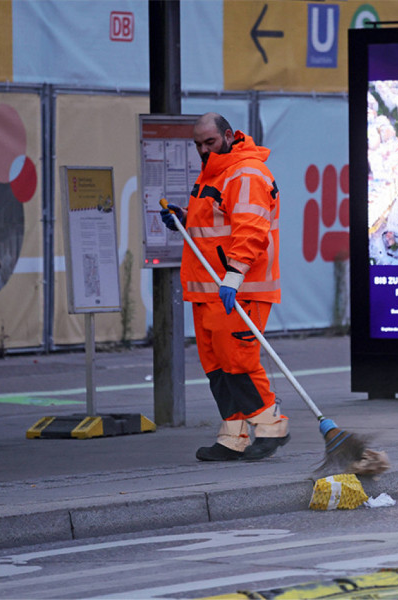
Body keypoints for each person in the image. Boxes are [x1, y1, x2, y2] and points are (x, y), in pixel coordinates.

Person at [160, 113, 288, 462]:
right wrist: (184, 219)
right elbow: (217, 224)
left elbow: (251, 230)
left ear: (229, 136)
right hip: (211, 289)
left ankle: (271, 426)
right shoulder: (217, 172)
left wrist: (233, 275)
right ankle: (234, 436)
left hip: (237, 288)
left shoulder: (246, 173)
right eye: (198, 144)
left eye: (210, 142)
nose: (203, 150)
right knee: (217, 366)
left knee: (238, 361)